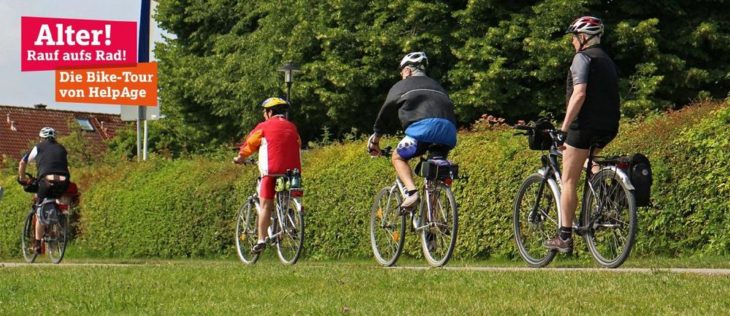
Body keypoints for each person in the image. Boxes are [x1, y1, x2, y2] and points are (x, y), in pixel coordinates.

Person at [544, 16, 621, 252]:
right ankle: (604, 188)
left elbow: (579, 94)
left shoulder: (582, 57)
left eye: (574, 38)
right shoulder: (607, 60)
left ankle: (565, 236)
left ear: (584, 38)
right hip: (609, 126)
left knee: (568, 180)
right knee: (589, 159)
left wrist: (564, 128)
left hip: (583, 126)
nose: (572, 43)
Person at [367, 52, 458, 208]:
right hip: (449, 132)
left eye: (402, 72)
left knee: (398, 157)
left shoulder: (402, 85)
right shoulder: (438, 86)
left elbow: (386, 113)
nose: (402, 75)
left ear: (408, 70)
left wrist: (375, 139)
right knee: (435, 175)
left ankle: (412, 193)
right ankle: (432, 224)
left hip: (423, 130)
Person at [233, 97, 302, 253]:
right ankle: (288, 219)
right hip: (292, 172)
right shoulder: (292, 127)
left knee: (265, 205)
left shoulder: (263, 126)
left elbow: (250, 144)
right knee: (286, 196)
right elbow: (298, 143)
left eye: (265, 112)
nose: (264, 115)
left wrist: (240, 158)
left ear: (270, 112)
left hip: (271, 171)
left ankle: (261, 239)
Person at [18, 127, 71, 254]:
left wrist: (22, 178)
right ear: (55, 137)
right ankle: (57, 229)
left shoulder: (38, 147)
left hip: (46, 180)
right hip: (64, 181)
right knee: (57, 200)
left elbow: (22, 163)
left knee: (39, 209)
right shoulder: (62, 148)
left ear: (41, 137)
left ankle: (36, 244)